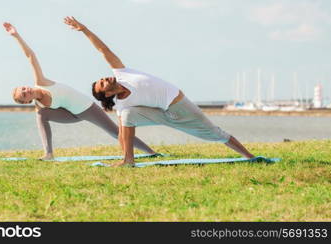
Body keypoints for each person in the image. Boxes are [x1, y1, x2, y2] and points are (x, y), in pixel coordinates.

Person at [64, 16, 255, 167]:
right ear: (107, 95)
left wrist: (84, 30)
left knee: (215, 133)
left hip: (179, 106)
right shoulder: (122, 104)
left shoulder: (122, 72)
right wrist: (123, 151)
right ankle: (128, 161)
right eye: (102, 84)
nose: (105, 79)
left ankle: (250, 157)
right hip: (162, 114)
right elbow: (123, 132)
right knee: (126, 116)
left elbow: (103, 49)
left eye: (102, 78)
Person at [3, 22, 157, 160]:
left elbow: (31, 56)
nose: (26, 90)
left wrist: (16, 35)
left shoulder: (41, 82)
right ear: (26, 101)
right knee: (41, 115)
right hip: (71, 115)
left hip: (87, 108)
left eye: (23, 88)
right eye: (24, 94)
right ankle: (48, 154)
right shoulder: (39, 106)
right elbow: (47, 112)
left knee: (115, 133)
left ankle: (151, 153)